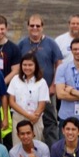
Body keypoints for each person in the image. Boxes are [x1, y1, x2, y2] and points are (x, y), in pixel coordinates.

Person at [17, 15, 64, 144]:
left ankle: (52, 151)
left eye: (38, 26)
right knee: (29, 121)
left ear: (42, 27)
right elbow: (17, 67)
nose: (35, 28)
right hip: (27, 92)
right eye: (32, 26)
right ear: (27, 27)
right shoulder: (22, 44)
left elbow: (59, 64)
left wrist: (54, 85)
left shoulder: (51, 43)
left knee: (50, 122)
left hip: (47, 91)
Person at [6, 53, 48, 146]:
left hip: (35, 119)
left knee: (35, 145)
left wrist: (34, 117)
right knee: (18, 146)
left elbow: (42, 104)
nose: (27, 67)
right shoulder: (15, 79)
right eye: (24, 65)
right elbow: (11, 102)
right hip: (19, 118)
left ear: (35, 66)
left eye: (30, 65)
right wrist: (27, 116)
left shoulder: (41, 81)